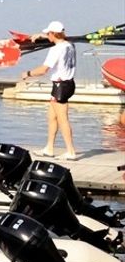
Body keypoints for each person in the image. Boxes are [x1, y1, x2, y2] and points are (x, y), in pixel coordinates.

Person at [22, 21, 78, 159]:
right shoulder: (70, 45)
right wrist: (41, 36)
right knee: (51, 117)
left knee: (63, 119)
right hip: (66, 84)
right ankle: (49, 148)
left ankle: (71, 151)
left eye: (49, 33)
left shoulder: (55, 49)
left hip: (61, 86)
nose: (47, 35)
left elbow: (44, 70)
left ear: (53, 33)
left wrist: (28, 74)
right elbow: (59, 39)